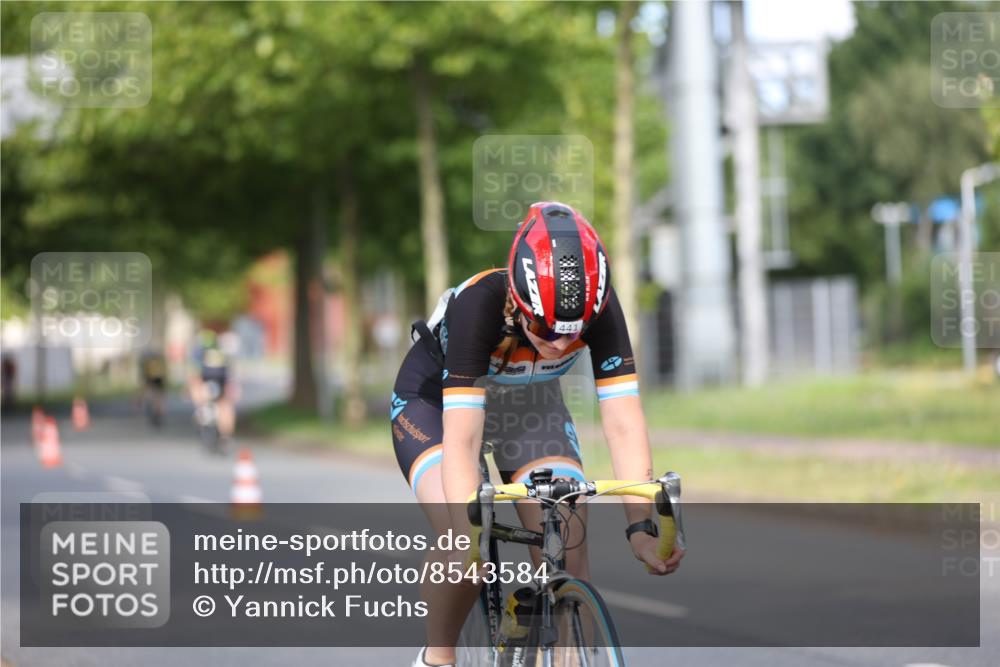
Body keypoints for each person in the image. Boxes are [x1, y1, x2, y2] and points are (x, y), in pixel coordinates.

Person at [390, 202, 685, 667]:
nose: (562, 344)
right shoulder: (480, 305)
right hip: (434, 403)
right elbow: (464, 440)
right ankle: (438, 658)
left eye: (575, 334)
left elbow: (624, 421)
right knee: (467, 542)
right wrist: (472, 532)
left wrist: (641, 527)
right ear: (518, 299)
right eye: (546, 330)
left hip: (530, 405)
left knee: (568, 528)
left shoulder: (603, 307)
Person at [188, 329, 237, 446]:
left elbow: (195, 374)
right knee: (225, 407)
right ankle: (226, 437)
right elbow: (230, 374)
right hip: (221, 383)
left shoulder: (199, 354)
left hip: (208, 383)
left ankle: (202, 415)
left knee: (202, 398)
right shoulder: (223, 353)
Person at [139, 349, 168, 427]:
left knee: (151, 396)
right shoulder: (159, 361)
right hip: (158, 380)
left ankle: (156, 412)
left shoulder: (147, 362)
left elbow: (145, 375)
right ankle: (159, 412)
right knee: (158, 398)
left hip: (152, 380)